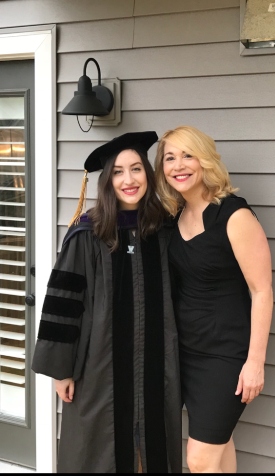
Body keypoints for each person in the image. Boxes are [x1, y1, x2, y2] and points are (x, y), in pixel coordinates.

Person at [32, 131, 182, 473]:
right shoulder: (88, 234)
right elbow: (64, 303)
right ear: (106, 180)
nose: (128, 180)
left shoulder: (165, 230)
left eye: (136, 169)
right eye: (117, 171)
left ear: (148, 173)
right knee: (97, 451)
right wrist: (61, 371)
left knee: (154, 448)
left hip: (158, 364)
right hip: (99, 366)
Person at [154, 125, 273, 473]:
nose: (178, 165)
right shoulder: (175, 215)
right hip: (186, 352)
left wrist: (255, 362)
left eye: (187, 155)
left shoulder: (234, 216)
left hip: (226, 356)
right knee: (220, 449)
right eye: (169, 158)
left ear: (204, 159)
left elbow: (262, 290)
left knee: (199, 460)